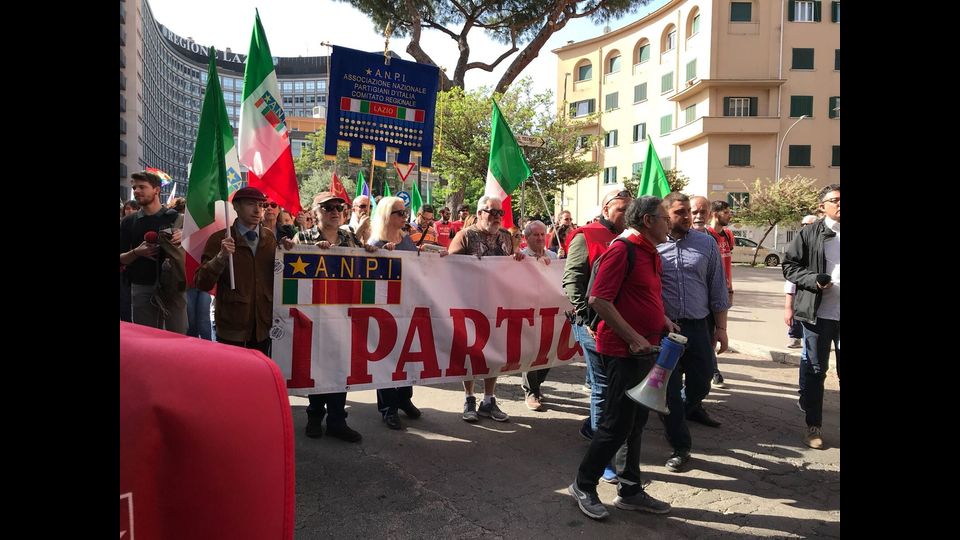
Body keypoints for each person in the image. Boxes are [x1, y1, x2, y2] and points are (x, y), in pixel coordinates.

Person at [568, 196, 676, 520]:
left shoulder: (649, 252)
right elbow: (598, 299)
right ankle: (583, 484)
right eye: (665, 218)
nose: (669, 223)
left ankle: (629, 489)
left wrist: (663, 320)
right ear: (646, 221)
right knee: (615, 424)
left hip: (647, 350)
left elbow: (645, 297)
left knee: (637, 423)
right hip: (624, 352)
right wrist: (633, 337)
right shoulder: (623, 249)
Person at [562, 186, 633, 483]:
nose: (626, 214)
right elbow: (572, 281)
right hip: (594, 326)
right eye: (620, 209)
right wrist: (588, 317)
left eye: (630, 209)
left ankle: (595, 429)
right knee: (603, 389)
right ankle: (602, 456)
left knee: (618, 389)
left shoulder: (631, 239)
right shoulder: (585, 235)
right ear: (605, 209)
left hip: (623, 326)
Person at [656, 192, 731, 472]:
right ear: (665, 215)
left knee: (702, 381)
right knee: (671, 389)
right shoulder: (653, 244)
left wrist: (721, 328)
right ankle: (680, 445)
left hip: (698, 326)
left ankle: (678, 411)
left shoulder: (706, 242)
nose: (688, 217)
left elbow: (717, 286)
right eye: (680, 212)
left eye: (689, 211)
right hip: (665, 330)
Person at [368, 196, 446, 430]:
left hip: (408, 305)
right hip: (384, 308)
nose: (405, 217)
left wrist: (434, 257)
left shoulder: (406, 240)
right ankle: (388, 407)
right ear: (386, 216)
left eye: (405, 213)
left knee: (406, 355)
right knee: (386, 357)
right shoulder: (376, 241)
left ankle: (404, 399)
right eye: (400, 213)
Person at [301, 191, 372, 442]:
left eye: (338, 207)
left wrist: (373, 251)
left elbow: (364, 267)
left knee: (341, 368)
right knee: (317, 367)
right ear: (314, 213)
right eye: (327, 207)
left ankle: (337, 420)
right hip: (315, 317)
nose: (334, 211)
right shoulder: (303, 238)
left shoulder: (350, 238)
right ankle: (314, 417)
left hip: (345, 317)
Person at [448, 195, 524, 423]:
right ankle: (469, 397)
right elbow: (448, 268)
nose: (497, 217)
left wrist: (518, 258)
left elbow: (510, 265)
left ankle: (489, 399)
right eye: (492, 212)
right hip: (470, 305)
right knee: (471, 351)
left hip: (498, 305)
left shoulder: (506, 237)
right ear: (480, 212)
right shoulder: (465, 236)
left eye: (500, 213)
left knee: (495, 353)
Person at [782, 185, 840, 450]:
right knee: (817, 371)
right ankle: (813, 426)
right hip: (819, 315)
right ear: (822, 206)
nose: (840, 204)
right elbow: (789, 267)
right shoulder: (809, 233)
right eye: (836, 200)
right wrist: (814, 280)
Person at [194, 187, 277, 356]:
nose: (257, 210)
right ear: (236, 207)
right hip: (232, 326)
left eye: (261, 205)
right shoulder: (220, 239)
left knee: (257, 374)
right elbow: (201, 282)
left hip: (263, 325)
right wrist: (220, 257)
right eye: (250, 204)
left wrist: (287, 251)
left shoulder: (269, 238)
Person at [119, 170, 187, 333]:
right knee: (145, 340)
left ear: (157, 189)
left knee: (177, 337)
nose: (136, 191)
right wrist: (136, 252)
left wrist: (184, 237)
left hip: (173, 287)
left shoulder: (177, 219)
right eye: (134, 187)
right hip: (141, 287)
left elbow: (197, 252)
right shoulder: (128, 222)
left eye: (142, 187)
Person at [518, 220, 558, 411]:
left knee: (548, 350)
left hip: (549, 311)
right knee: (530, 352)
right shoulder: (520, 257)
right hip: (528, 312)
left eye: (543, 234)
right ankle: (530, 391)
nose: (541, 238)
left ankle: (537, 385)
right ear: (526, 238)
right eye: (536, 235)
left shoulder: (553, 256)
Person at [706, 200, 735, 388]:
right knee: (708, 332)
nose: (729, 215)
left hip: (724, 290)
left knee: (719, 330)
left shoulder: (728, 235)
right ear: (715, 214)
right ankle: (713, 370)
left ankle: (711, 368)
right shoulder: (705, 235)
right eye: (726, 212)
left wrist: (730, 289)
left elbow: (728, 264)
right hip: (708, 291)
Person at [785, 214, 818, 348]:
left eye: (808, 225)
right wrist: (788, 306)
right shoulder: (800, 244)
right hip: (801, 294)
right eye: (803, 225)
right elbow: (791, 275)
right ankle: (795, 336)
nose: (804, 227)